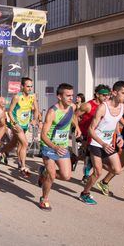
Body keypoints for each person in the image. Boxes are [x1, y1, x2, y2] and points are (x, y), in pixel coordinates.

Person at [80, 81, 124, 205]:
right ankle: (85, 193)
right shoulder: (103, 107)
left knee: (117, 170)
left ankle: (94, 162)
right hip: (96, 143)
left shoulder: (123, 107)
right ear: (114, 92)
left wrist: (119, 136)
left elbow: (116, 121)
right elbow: (91, 130)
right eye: (123, 93)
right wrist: (102, 144)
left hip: (108, 143)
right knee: (98, 172)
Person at [37, 83, 81, 211]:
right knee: (52, 175)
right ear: (59, 97)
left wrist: (76, 126)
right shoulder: (52, 112)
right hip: (49, 146)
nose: (71, 98)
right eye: (67, 95)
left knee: (66, 176)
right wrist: (54, 147)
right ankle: (44, 199)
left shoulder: (72, 106)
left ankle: (43, 172)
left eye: (72, 95)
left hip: (62, 146)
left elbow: (73, 116)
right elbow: (43, 136)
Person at [76, 85, 111, 184]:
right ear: (97, 94)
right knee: (87, 155)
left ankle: (84, 170)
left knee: (91, 155)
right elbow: (74, 116)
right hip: (85, 134)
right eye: (104, 95)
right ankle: (85, 174)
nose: (106, 97)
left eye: (108, 95)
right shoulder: (88, 105)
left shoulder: (106, 106)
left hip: (97, 135)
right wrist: (78, 128)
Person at [7, 77, 39, 177]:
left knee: (16, 144)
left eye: (31, 86)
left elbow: (36, 110)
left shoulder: (32, 97)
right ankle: (23, 166)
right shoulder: (17, 97)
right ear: (22, 87)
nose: (30, 88)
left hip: (25, 124)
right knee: (25, 143)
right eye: (28, 86)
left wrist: (34, 119)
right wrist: (15, 123)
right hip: (17, 125)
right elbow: (10, 112)